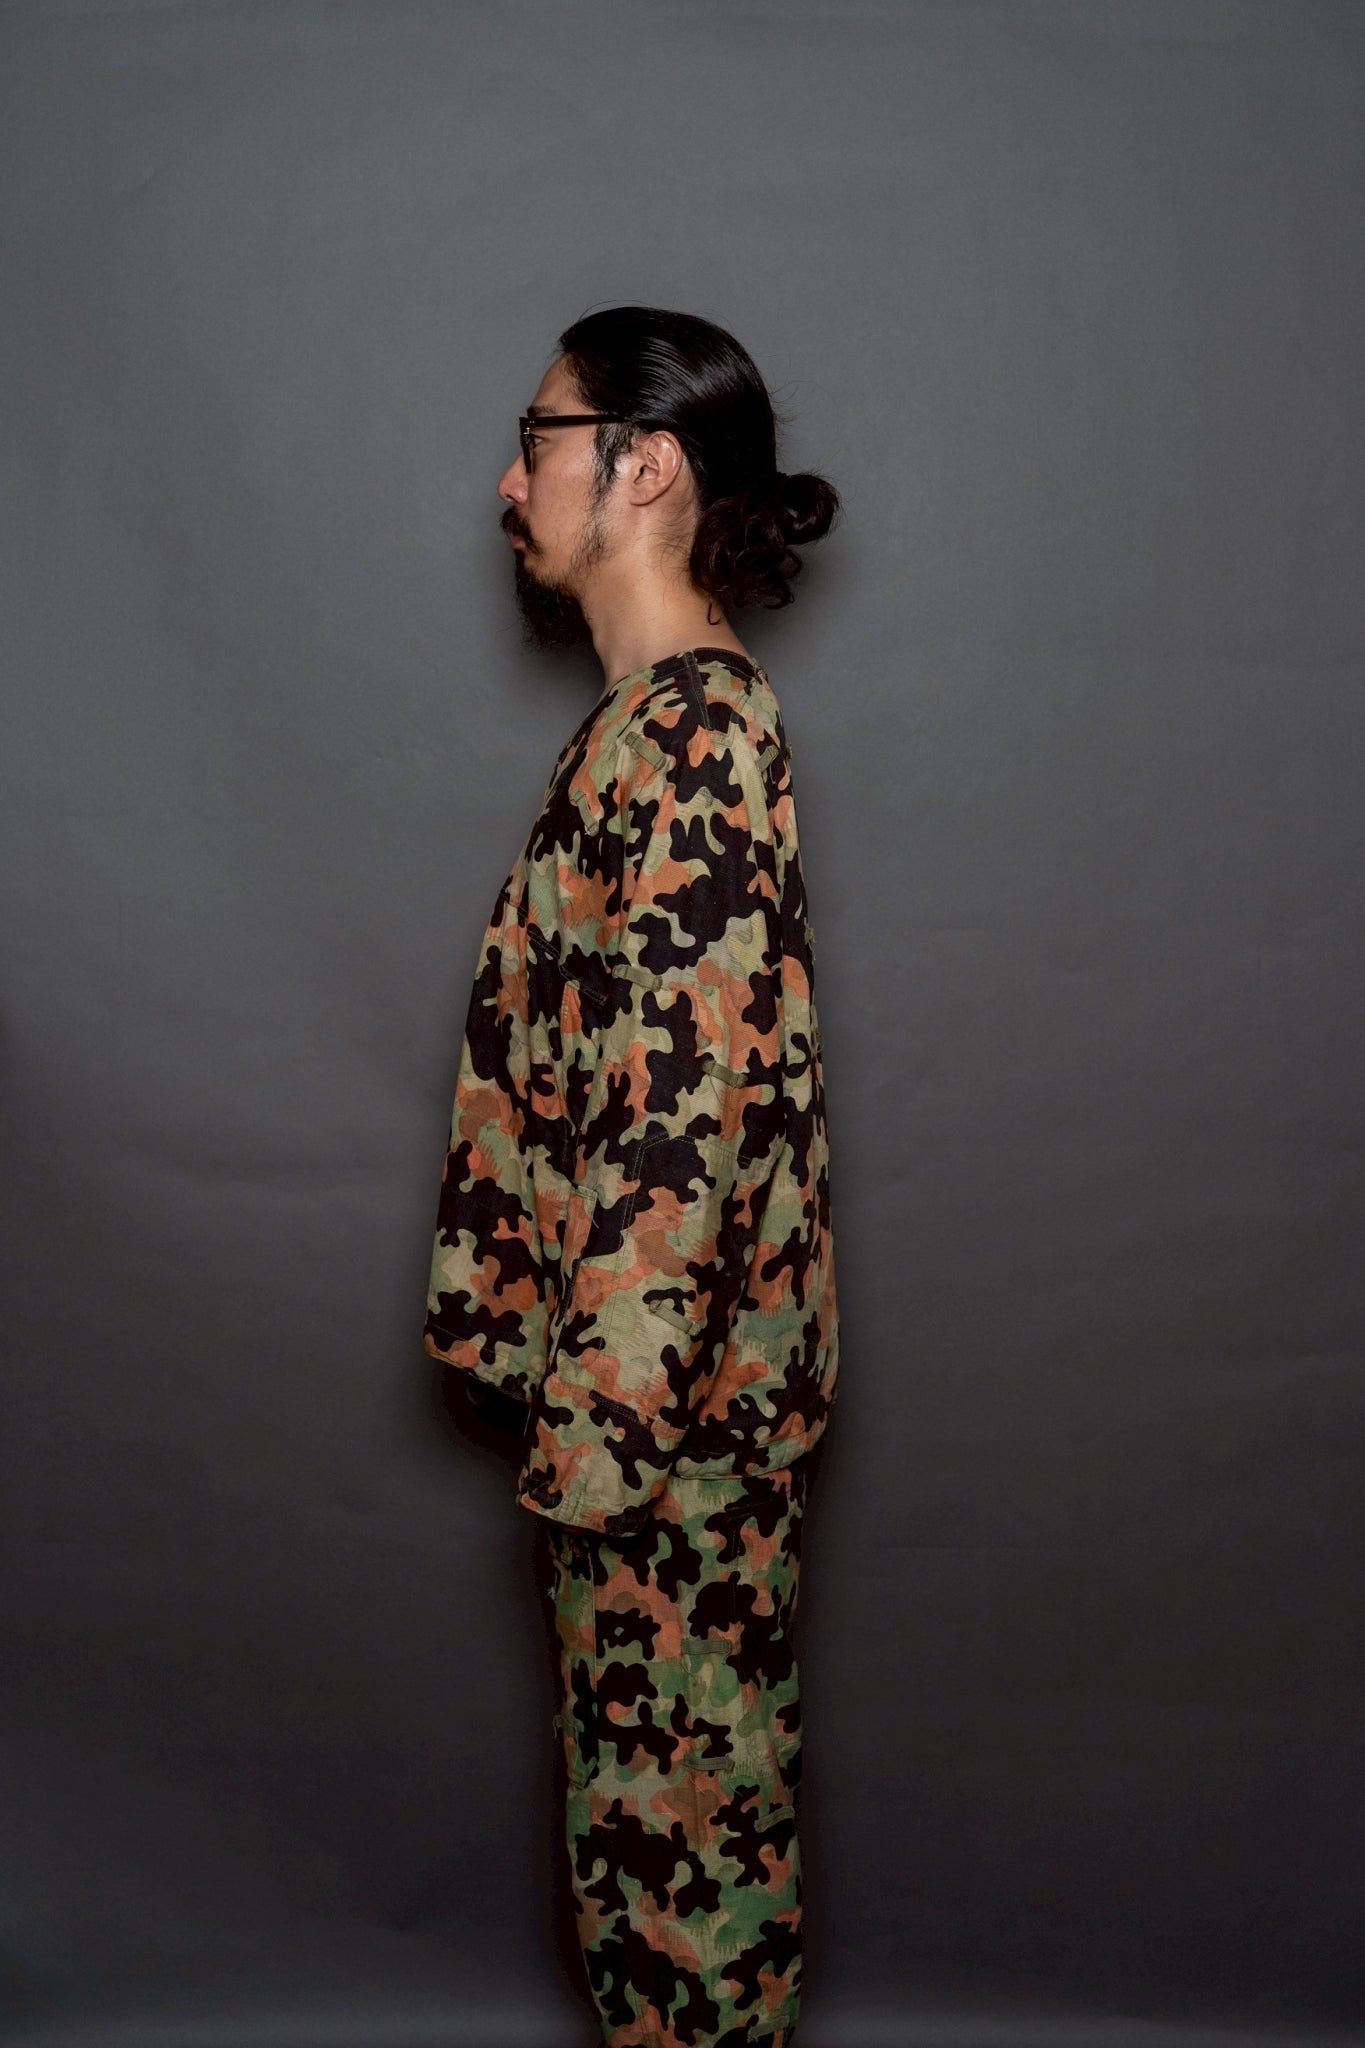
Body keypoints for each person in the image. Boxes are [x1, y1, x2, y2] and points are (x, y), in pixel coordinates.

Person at [422, 304, 842, 2048]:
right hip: (634, 1412)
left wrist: (601, 1444)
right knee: (644, 1843)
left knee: (682, 1862)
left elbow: (685, 1120)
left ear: (642, 466)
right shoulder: (647, 731)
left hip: (658, 1431)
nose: (506, 481)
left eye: (538, 438)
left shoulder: (691, 739)